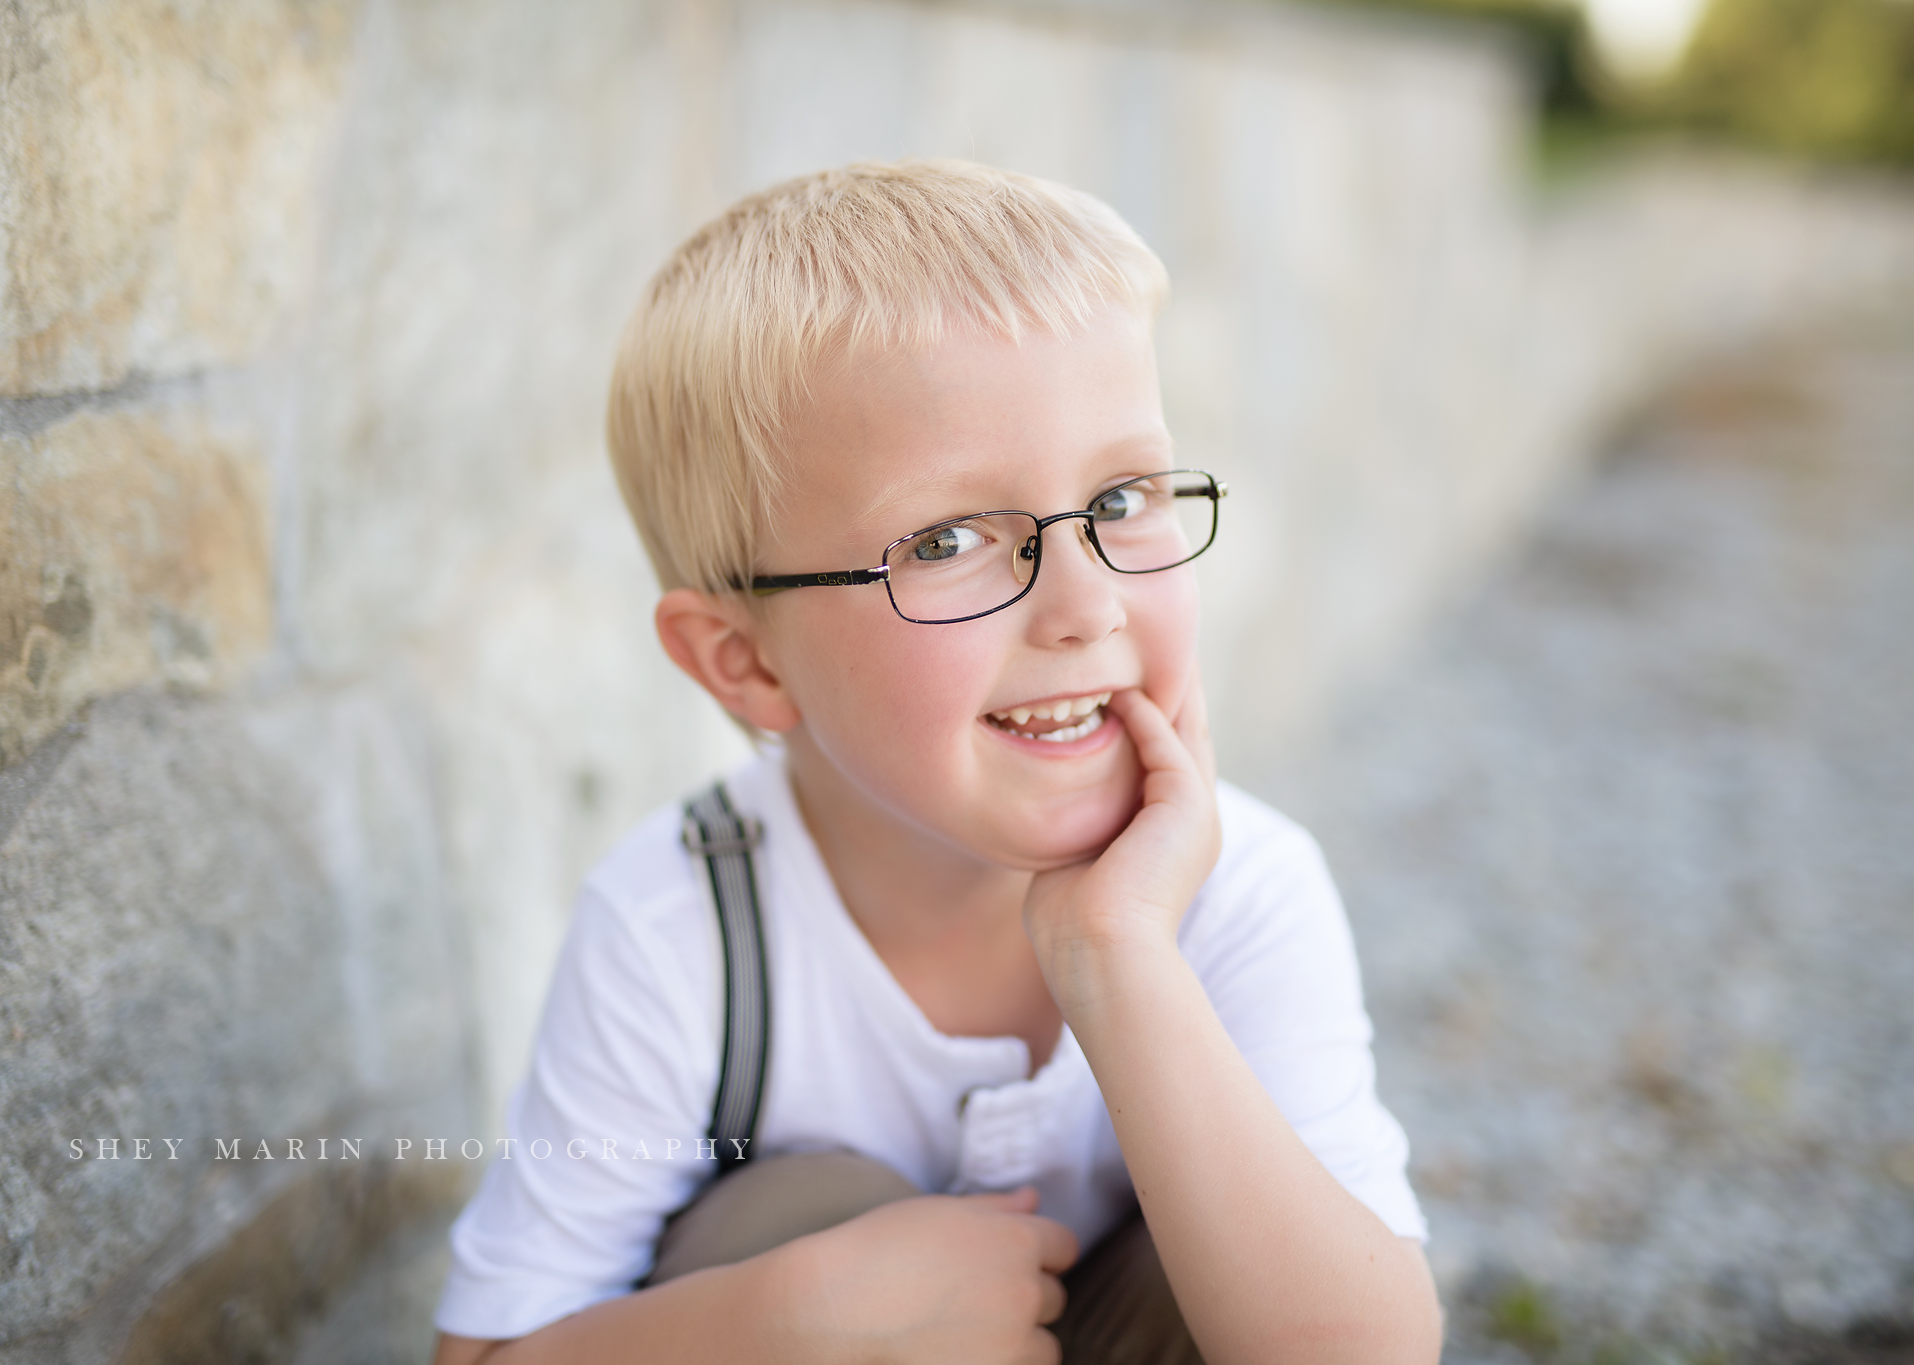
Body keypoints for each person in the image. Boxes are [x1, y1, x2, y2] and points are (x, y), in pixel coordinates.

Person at [430, 159, 1442, 1365]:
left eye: (1121, 499)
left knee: (1241, 1231)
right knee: (782, 1222)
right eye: (947, 538)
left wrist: (1117, 959)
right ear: (746, 663)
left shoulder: (1242, 888)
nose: (1082, 604)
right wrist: (783, 1319)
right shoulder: (682, 929)